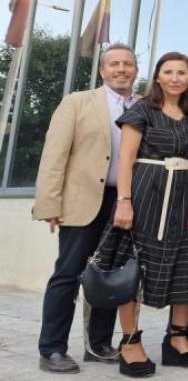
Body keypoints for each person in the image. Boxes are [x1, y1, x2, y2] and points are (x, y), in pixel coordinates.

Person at [33, 43, 137, 374]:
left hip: (124, 202)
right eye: (114, 64)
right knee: (68, 273)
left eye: (128, 64)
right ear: (103, 70)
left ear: (135, 70)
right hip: (82, 201)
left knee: (110, 276)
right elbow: (54, 155)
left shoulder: (144, 105)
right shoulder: (77, 102)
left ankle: (99, 344)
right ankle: (52, 349)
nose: (121, 69)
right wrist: (50, 202)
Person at [113, 51, 188, 377]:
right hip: (146, 193)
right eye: (168, 72)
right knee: (135, 268)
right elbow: (126, 158)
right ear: (157, 76)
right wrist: (124, 201)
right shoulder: (142, 110)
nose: (175, 78)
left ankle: (177, 340)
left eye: (182, 72)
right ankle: (130, 343)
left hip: (185, 196)